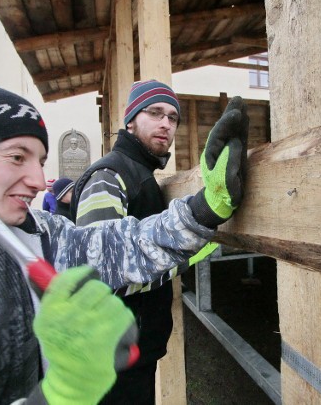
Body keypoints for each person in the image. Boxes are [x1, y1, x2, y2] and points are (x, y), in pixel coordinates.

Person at [0, 81, 248, 404]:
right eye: (17, 157)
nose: (36, 179)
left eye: (40, 159)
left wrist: (204, 209)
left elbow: (120, 246)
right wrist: (59, 395)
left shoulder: (39, 234)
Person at [73, 79, 248, 404]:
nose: (166, 123)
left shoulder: (141, 175)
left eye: (173, 117)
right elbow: (101, 275)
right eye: (155, 113)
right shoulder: (109, 177)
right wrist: (199, 222)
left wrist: (193, 239)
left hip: (134, 352)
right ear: (130, 120)